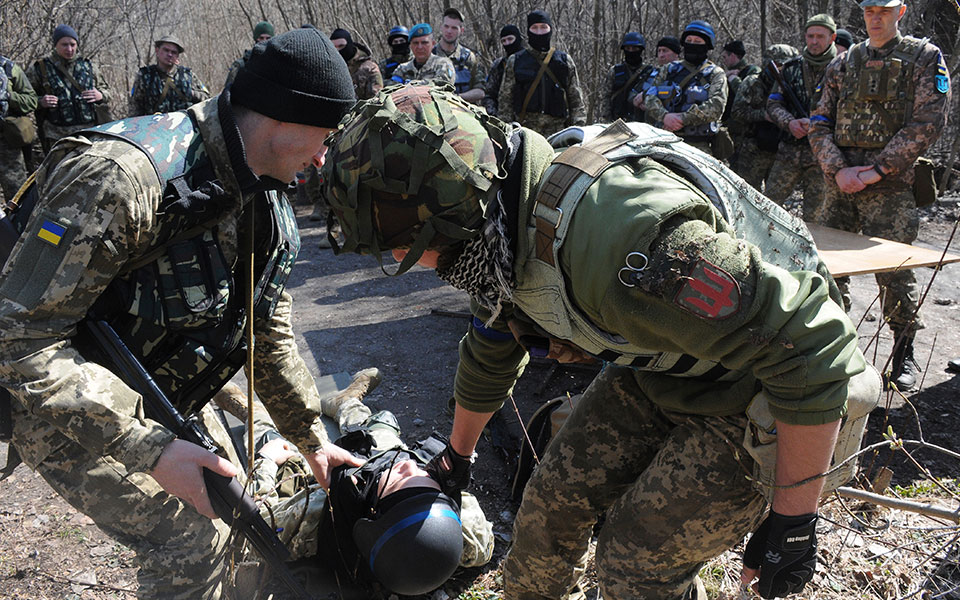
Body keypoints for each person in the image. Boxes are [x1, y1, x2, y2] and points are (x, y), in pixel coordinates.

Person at [320, 83, 879, 600]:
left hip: (768, 389)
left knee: (632, 566)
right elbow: (492, 345)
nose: (398, 259)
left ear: (447, 216)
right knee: (544, 519)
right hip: (669, 367)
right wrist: (456, 459)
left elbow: (812, 344)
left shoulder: (626, 244)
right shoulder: (496, 223)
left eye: (401, 244)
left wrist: (793, 522)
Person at [0, 27, 361, 599]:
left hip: (158, 391)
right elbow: (18, 340)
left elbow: (264, 331)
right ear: (281, 119)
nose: (322, 157)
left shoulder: (261, 192)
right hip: (51, 397)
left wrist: (310, 438)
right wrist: (153, 450)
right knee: (195, 540)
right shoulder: (121, 179)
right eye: (322, 136)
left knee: (239, 504)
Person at [214, 371, 494, 596]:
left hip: (347, 482)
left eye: (402, 479)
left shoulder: (314, 515)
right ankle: (346, 402)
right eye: (427, 480)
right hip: (383, 477)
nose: (409, 465)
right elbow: (424, 485)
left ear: (371, 518)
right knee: (381, 428)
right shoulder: (470, 534)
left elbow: (257, 521)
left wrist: (266, 462)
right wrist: (418, 479)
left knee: (278, 445)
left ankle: (254, 413)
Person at [808, 0, 950, 391]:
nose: (876, 18)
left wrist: (876, 171)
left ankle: (903, 354)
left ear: (900, 12)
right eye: (869, 10)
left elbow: (929, 121)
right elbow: (819, 119)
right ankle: (832, 349)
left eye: (884, 11)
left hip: (889, 185)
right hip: (840, 185)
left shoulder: (923, 57)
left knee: (894, 272)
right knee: (828, 270)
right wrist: (838, 169)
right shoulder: (842, 62)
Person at [763, 14, 837, 218]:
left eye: (820, 36)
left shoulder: (843, 68)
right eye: (810, 36)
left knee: (817, 215)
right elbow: (773, 103)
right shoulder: (791, 68)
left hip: (824, 155)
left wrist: (816, 125)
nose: (814, 41)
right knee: (767, 207)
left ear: (832, 37)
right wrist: (790, 123)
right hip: (789, 151)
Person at [645, 20, 729, 156]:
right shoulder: (669, 69)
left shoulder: (715, 74)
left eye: (698, 42)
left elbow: (717, 106)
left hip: (698, 146)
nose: (692, 44)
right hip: (664, 140)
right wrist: (664, 116)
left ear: (707, 45)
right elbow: (649, 96)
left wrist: (683, 119)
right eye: (689, 40)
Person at [497, 10, 586, 137]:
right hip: (525, 131)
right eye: (535, 28)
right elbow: (505, 101)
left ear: (550, 29)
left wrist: (578, 130)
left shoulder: (564, 61)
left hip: (558, 131)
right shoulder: (516, 61)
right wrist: (506, 133)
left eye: (543, 27)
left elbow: (576, 100)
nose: (539, 32)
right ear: (528, 31)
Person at [28, 24, 112, 150]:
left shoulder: (88, 66)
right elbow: (25, 98)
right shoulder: (41, 68)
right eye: (64, 45)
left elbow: (107, 92)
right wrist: (41, 101)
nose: (69, 49)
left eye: (72, 44)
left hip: (88, 133)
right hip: (56, 135)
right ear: (56, 45)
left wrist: (100, 95)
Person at [729, 44, 800, 190]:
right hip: (753, 149)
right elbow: (737, 112)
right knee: (747, 193)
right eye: (779, 64)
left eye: (786, 65)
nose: (782, 69)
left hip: (781, 150)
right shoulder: (752, 82)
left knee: (775, 199)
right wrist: (764, 115)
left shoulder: (793, 85)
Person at [129, 35, 210, 116]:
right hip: (154, 125)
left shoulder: (188, 75)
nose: (169, 54)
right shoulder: (145, 76)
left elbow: (207, 99)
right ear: (157, 51)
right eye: (166, 50)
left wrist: (191, 93)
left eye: (174, 52)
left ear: (177, 56)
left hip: (184, 125)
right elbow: (135, 106)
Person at [0, 52, 38, 201]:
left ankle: (19, 224)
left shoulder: (8, 68)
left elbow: (31, 101)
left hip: (7, 145)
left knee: (17, 197)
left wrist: (9, 96)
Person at [433, 7, 486, 103]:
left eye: (454, 28)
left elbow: (480, 91)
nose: (449, 31)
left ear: (461, 30)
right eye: (446, 26)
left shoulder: (469, 58)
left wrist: (455, 98)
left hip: (463, 112)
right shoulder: (429, 56)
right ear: (441, 27)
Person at [601, 32, 656, 123]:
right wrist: (607, 121)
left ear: (641, 50)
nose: (631, 51)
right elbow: (606, 97)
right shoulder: (615, 71)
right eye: (628, 48)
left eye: (634, 48)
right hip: (618, 122)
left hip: (643, 124)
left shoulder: (650, 72)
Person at [330, 28, 384, 100]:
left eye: (341, 46)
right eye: (334, 47)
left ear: (349, 45)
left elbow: (376, 99)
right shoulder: (330, 68)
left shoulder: (369, 68)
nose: (337, 50)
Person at [482, 24, 523, 116]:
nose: (507, 43)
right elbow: (489, 94)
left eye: (510, 39)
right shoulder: (498, 65)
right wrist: (494, 114)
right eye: (504, 41)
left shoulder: (531, 62)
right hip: (503, 118)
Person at [720, 40, 761, 126]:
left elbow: (752, 98)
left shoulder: (752, 71)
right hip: (727, 124)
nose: (723, 61)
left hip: (744, 128)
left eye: (724, 57)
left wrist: (734, 81)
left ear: (732, 56)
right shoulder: (727, 73)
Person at [224, 20, 274, 88]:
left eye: (268, 38)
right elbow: (227, 93)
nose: (264, 41)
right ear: (256, 39)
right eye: (261, 38)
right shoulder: (240, 65)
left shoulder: (279, 64)